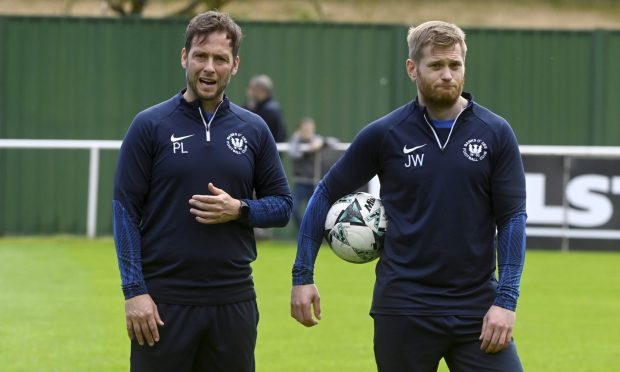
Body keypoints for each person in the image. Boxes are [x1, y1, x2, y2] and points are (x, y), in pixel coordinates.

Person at [290, 21, 526, 372]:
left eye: (455, 65)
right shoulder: (385, 134)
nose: (447, 75)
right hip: (403, 308)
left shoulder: (495, 133)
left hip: (477, 308)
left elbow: (512, 219)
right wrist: (302, 275)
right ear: (412, 69)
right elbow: (325, 193)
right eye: (436, 65)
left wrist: (506, 301)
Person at [112, 11, 292, 372]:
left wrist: (239, 209)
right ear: (184, 57)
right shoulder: (150, 125)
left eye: (220, 59)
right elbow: (124, 209)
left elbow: (283, 206)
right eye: (201, 56)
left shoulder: (254, 129)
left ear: (235, 65)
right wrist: (134, 291)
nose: (209, 68)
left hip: (233, 301)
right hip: (164, 303)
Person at [288, 117, 324, 228]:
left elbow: (333, 142)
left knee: (316, 211)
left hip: (315, 182)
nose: (308, 130)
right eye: (305, 127)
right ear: (300, 129)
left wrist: (320, 142)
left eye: (310, 127)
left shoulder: (317, 139)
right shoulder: (296, 140)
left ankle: (315, 233)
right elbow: (293, 153)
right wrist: (308, 149)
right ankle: (302, 229)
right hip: (300, 182)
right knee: (294, 208)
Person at [245, 74, 287, 143]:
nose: (252, 93)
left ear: (262, 91)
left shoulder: (269, 110)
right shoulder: (257, 105)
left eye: (255, 90)